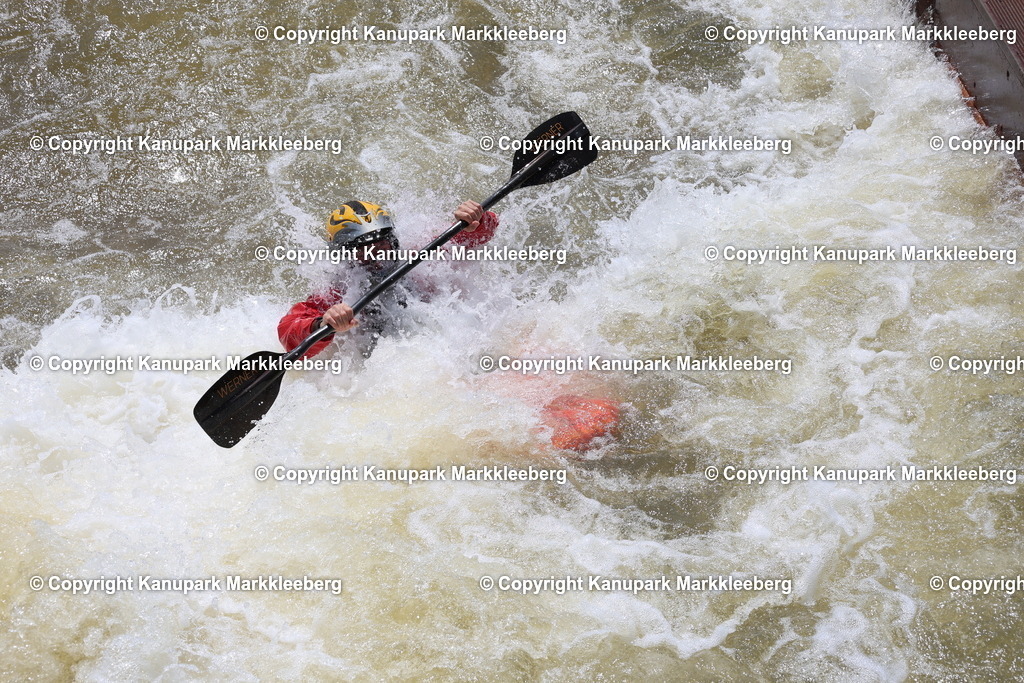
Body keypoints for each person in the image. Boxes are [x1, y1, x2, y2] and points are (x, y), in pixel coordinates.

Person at [278, 199, 499, 359]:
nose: (378, 256)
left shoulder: (419, 259)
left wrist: (475, 221)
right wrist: (322, 323)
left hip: (442, 347)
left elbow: (473, 237)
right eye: (364, 249)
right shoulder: (339, 290)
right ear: (345, 255)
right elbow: (289, 333)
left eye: (382, 244)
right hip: (379, 366)